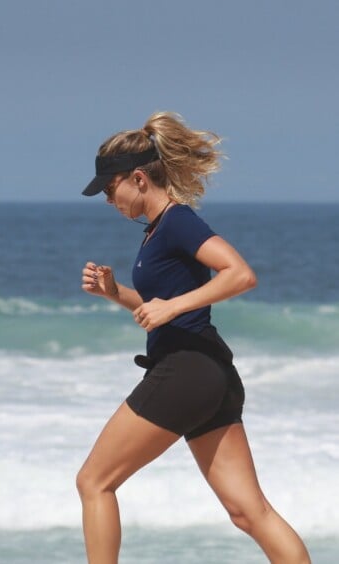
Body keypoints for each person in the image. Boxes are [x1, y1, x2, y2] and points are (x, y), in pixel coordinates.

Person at [76, 112, 311, 564]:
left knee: (93, 482)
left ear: (139, 178)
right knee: (249, 512)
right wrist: (115, 293)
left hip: (185, 368)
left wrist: (173, 306)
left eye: (110, 188)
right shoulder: (156, 231)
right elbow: (158, 305)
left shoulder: (177, 221)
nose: (108, 199)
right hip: (208, 370)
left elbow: (240, 274)